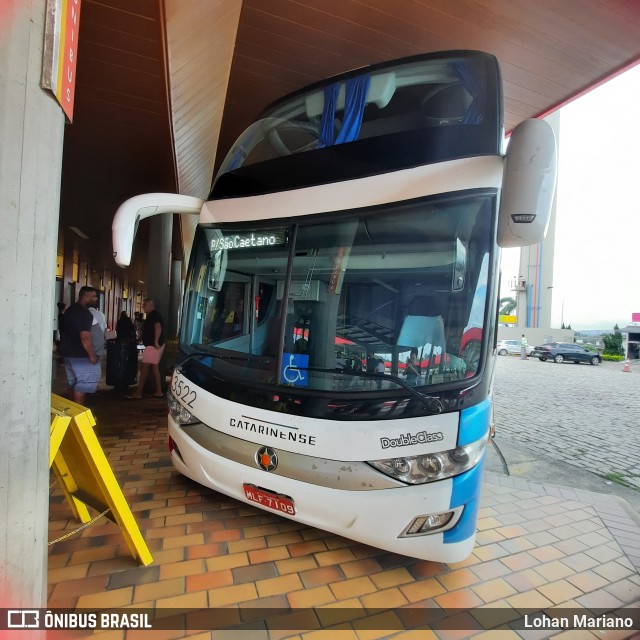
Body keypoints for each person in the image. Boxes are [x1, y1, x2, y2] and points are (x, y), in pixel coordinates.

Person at [60, 286, 100, 404]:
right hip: (81, 356)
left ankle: (73, 413)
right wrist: (92, 354)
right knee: (83, 386)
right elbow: (85, 336)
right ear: (85, 296)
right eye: (93, 296)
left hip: (68, 354)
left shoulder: (69, 310)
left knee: (73, 384)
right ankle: (79, 416)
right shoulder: (84, 314)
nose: (96, 299)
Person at [127, 298, 165, 399]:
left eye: (144, 304)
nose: (143, 306)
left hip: (152, 346)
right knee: (153, 368)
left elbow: (158, 327)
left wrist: (156, 341)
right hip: (153, 345)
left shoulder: (154, 315)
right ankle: (158, 391)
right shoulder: (153, 315)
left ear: (150, 304)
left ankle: (139, 392)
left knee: (144, 368)